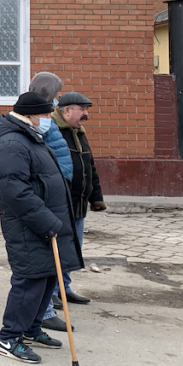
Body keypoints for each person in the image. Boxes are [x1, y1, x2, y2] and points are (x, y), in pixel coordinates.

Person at [0, 91, 82, 364]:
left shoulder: (31, 137)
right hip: (30, 227)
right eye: (43, 115)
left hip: (46, 224)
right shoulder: (12, 144)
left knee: (47, 277)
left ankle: (30, 329)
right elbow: (15, 192)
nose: (47, 120)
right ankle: (9, 338)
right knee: (29, 281)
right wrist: (47, 221)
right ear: (29, 115)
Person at [49, 91, 106, 308]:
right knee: (58, 249)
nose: (86, 114)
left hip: (79, 205)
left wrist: (96, 198)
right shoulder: (54, 132)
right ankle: (53, 291)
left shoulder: (78, 132)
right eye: (82, 109)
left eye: (87, 110)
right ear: (66, 111)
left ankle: (65, 287)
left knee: (73, 250)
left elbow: (89, 167)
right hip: (61, 205)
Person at [28, 72, 74, 333]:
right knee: (42, 258)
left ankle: (44, 308)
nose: (59, 98)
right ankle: (42, 314)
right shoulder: (36, 119)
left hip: (56, 192)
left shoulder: (45, 117)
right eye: (57, 92)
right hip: (45, 196)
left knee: (50, 257)